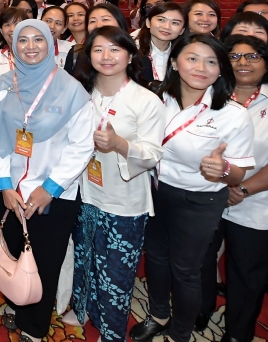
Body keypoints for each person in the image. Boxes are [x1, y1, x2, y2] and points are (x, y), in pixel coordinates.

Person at [131, 33, 255, 342]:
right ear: (174, 62)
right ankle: (159, 314)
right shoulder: (156, 97)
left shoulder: (231, 113)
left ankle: (181, 333)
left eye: (212, 61)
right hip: (156, 190)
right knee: (156, 258)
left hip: (199, 199)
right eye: (192, 58)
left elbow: (238, 174)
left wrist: (223, 169)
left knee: (186, 269)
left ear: (220, 69)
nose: (201, 67)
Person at [199, 34, 268, 342]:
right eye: (234, 57)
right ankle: (201, 310)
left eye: (252, 56)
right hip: (207, 197)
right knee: (201, 261)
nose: (243, 63)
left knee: (247, 276)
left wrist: (242, 189)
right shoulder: (207, 96)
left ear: (266, 61)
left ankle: (238, 332)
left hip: (258, 202)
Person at [0, 19, 93, 342]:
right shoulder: (6, 84)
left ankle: (34, 327)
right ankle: (16, 300)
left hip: (54, 195)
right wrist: (5, 184)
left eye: (39, 39)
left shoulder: (72, 90)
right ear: (13, 45)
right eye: (23, 40)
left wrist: (50, 188)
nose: (31, 46)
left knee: (45, 261)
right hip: (13, 191)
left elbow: (82, 146)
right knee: (14, 249)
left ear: (51, 44)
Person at [65, 26, 164, 341]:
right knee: (85, 258)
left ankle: (111, 332)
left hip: (124, 200)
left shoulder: (146, 100)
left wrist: (120, 144)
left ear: (130, 54)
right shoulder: (81, 92)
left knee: (116, 275)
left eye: (115, 49)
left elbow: (152, 154)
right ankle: (83, 310)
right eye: (98, 49)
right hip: (85, 191)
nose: (106, 56)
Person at [136, 2, 185, 86]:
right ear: (148, 22)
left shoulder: (184, 55)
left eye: (175, 23)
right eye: (161, 20)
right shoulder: (133, 50)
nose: (167, 27)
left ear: (181, 30)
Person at [0, 7, 29, 81]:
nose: (12, 29)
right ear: (1, 30)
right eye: (7, 25)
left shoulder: (35, 54)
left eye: (17, 24)